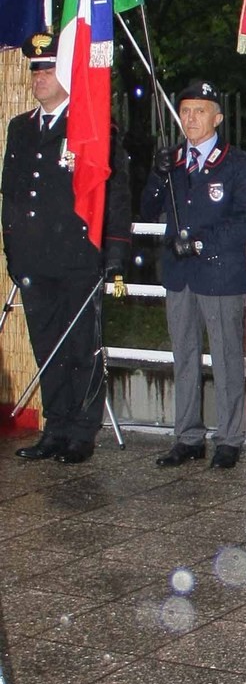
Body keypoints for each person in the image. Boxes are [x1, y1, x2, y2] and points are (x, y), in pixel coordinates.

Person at [1, 32, 131, 464]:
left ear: (68, 75)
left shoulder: (91, 129)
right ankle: (55, 428)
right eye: (35, 70)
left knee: (82, 349)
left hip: (79, 259)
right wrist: (14, 256)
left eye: (47, 70)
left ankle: (82, 431)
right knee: (47, 348)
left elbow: (114, 197)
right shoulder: (20, 130)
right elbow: (13, 199)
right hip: (36, 263)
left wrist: (112, 258)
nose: (39, 78)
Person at [140, 80, 246, 470]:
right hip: (179, 277)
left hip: (219, 274)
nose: (191, 118)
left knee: (227, 358)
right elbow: (147, 208)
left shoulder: (237, 163)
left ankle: (229, 439)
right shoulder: (173, 160)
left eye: (199, 110)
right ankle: (188, 437)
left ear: (218, 117)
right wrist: (159, 175)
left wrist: (199, 243)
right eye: (186, 110)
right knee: (185, 357)